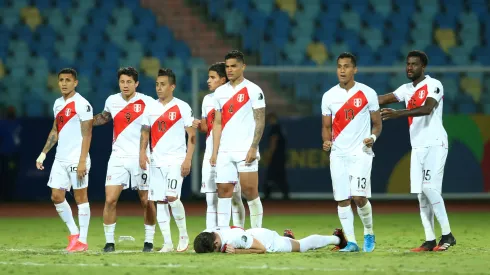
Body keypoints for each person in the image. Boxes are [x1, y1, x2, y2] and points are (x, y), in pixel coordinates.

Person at [378, 50, 456, 252]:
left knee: (430, 188)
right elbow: (383, 99)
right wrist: (355, 100)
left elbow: (427, 109)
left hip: (435, 143)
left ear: (423, 67)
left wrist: (398, 114)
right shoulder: (405, 89)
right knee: (421, 195)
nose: (409, 67)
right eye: (407, 64)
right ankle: (430, 240)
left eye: (414, 64)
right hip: (418, 147)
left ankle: (447, 235)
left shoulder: (433, 85)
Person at [321, 53, 382, 252]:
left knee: (358, 197)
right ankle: (352, 242)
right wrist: (326, 141)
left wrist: (371, 139)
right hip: (338, 154)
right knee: (342, 199)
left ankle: (369, 232)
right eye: (339, 66)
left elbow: (377, 124)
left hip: (361, 152)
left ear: (354, 69)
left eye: (346, 66)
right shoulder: (329, 96)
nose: (342, 70)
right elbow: (326, 126)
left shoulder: (368, 93)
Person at [92, 67, 157, 253]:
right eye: (122, 82)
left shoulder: (147, 102)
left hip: (141, 157)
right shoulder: (112, 101)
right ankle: (109, 242)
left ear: (136, 83)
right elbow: (104, 118)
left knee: (146, 201)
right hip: (118, 157)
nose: (125, 85)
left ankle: (149, 241)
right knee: (110, 200)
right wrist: (85, 120)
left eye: (129, 82)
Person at [35, 68, 93, 252]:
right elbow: (55, 130)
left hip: (77, 158)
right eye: (61, 80)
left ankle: (82, 241)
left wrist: (82, 160)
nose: (64, 83)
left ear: (75, 83)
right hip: (60, 158)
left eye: (68, 80)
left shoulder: (82, 104)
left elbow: (88, 134)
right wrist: (44, 153)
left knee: (80, 197)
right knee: (56, 196)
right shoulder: (57, 104)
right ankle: (74, 234)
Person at [139, 68, 196, 253]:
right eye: (157, 84)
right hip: (156, 161)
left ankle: (183, 235)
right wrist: (142, 153)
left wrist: (188, 159)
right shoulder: (150, 107)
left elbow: (192, 135)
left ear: (173, 86)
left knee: (172, 197)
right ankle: (167, 243)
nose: (159, 88)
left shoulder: (182, 107)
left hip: (176, 160)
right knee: (160, 201)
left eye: (163, 84)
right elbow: (145, 131)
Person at [211, 50, 266, 229]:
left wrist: (253, 147)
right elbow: (217, 123)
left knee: (250, 191)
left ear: (243, 66)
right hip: (225, 151)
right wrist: (215, 151)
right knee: (224, 192)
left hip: (245, 149)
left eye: (234, 66)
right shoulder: (219, 93)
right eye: (227, 66)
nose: (230, 70)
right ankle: (224, 233)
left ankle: (257, 232)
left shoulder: (253, 90)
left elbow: (260, 120)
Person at [192, 62, 246, 229]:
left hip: (229, 152)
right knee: (210, 198)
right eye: (208, 77)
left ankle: (238, 230)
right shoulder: (207, 100)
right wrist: (197, 123)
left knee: (235, 196)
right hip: (211, 153)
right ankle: (210, 232)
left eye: (212, 77)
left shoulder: (235, 98)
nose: (208, 81)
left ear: (223, 79)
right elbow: (207, 127)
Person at [193, 226, 347, 254]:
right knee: (294, 243)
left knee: (302, 246)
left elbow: (261, 249)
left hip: (268, 242)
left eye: (212, 250)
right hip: (254, 234)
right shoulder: (210, 233)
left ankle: (337, 238)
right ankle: (288, 238)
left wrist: (236, 252)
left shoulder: (236, 239)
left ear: (215, 243)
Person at [263, 112, 289, 200]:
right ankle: (285, 193)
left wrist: (270, 154)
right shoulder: (280, 128)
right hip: (281, 156)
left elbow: (273, 141)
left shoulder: (274, 128)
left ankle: (267, 194)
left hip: (275, 157)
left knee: (270, 175)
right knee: (280, 175)